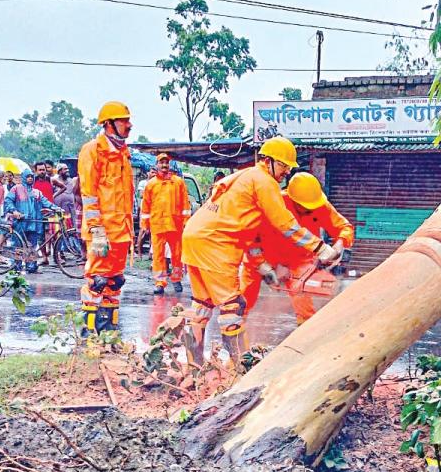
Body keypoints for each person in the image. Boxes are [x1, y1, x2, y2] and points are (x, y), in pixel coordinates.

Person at [181, 137, 338, 369]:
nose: (287, 171)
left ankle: (194, 366)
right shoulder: (264, 182)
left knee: (201, 305)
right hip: (216, 244)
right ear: (268, 160)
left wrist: (261, 264)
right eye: (284, 165)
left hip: (195, 237)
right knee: (233, 307)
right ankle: (241, 369)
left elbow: (249, 232)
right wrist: (320, 248)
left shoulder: (245, 176)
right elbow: (285, 224)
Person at [241, 172, 352, 325]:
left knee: (304, 305)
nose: (309, 210)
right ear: (292, 199)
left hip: (299, 260)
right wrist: (267, 267)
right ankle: (235, 335)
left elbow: (344, 227)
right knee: (241, 304)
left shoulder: (318, 204)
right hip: (261, 258)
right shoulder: (273, 204)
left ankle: (306, 333)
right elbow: (249, 239)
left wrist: (340, 244)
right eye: (304, 207)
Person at [78, 101, 135, 336]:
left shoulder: (123, 153)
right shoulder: (92, 150)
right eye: (124, 121)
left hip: (122, 231)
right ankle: (89, 335)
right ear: (109, 124)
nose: (129, 125)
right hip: (102, 232)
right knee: (97, 281)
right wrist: (96, 230)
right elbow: (88, 193)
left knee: (114, 282)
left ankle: (109, 335)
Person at [141, 152, 190, 295]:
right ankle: (159, 282)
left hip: (175, 225)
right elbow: (146, 206)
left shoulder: (178, 182)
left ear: (169, 165)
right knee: (158, 255)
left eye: (166, 162)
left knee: (177, 254)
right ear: (157, 165)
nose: (164, 165)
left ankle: (176, 279)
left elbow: (185, 204)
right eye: (161, 162)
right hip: (157, 225)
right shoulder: (151, 184)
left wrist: (186, 221)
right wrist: (145, 224)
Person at [4, 168, 62, 273]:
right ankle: (15, 266)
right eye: (28, 177)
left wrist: (57, 208)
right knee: (17, 244)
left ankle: (31, 266)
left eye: (31, 176)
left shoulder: (37, 192)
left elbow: (46, 202)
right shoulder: (16, 189)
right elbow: (8, 201)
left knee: (32, 245)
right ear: (23, 178)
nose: (30, 178)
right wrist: (14, 211)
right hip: (20, 222)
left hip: (33, 223)